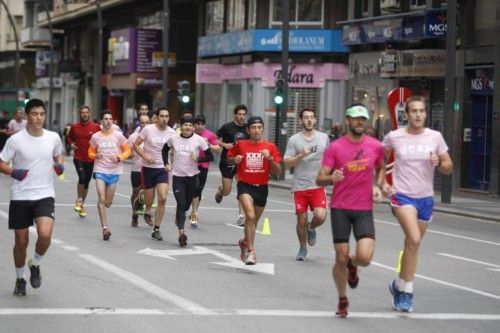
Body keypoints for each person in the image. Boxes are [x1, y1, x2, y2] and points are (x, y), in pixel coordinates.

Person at [382, 95, 453, 312]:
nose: (419, 115)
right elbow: (378, 157)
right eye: (414, 111)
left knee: (412, 245)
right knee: (413, 238)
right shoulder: (395, 137)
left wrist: (439, 162)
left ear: (426, 113)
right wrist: (383, 181)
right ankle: (407, 293)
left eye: (422, 111)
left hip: (425, 199)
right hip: (402, 196)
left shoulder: (435, 137)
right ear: (407, 114)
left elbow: (449, 166)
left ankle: (399, 285)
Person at [316, 104, 385, 318]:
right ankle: (342, 298)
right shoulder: (336, 148)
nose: (360, 122)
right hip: (340, 208)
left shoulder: (376, 146)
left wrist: (378, 185)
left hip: (364, 208)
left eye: (363, 119)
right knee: (340, 255)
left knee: (364, 257)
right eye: (356, 118)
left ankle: (353, 266)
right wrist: (331, 178)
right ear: (348, 120)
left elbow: (381, 169)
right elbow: (320, 178)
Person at [0, 98, 64, 296]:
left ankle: (34, 263)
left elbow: (58, 155)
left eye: (42, 114)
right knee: (21, 241)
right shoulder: (15, 140)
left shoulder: (53, 137)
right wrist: (12, 172)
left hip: (44, 194)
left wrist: (60, 165)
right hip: (20, 195)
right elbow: (1, 162)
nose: (39, 117)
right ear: (27, 116)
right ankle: (20, 278)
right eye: (35, 114)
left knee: (45, 236)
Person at [227, 116, 282, 265]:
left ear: (263, 129)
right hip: (245, 185)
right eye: (253, 128)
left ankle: (245, 242)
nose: (256, 130)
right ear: (248, 130)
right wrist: (235, 160)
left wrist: (269, 159)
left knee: (254, 222)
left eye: (259, 127)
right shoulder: (241, 145)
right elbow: (229, 159)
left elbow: (278, 172)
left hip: (262, 188)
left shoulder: (270, 147)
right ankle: (251, 252)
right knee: (249, 217)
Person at [284, 108, 329, 261]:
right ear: (300, 121)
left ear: (315, 120)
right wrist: (301, 155)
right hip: (300, 187)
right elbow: (287, 163)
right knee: (301, 220)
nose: (309, 120)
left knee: (321, 216)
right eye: (306, 117)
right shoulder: (294, 140)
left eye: (311, 117)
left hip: (317, 185)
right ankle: (303, 248)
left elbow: (330, 157)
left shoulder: (323, 138)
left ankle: (312, 228)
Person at [162, 116, 214, 246]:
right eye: (185, 125)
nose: (188, 128)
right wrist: (166, 163)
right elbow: (164, 149)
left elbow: (210, 156)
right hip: (178, 177)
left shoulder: (199, 140)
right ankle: (181, 232)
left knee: (186, 206)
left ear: (193, 127)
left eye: (190, 126)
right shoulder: (174, 139)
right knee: (181, 203)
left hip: (192, 177)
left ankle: (180, 217)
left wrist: (198, 159)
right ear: (181, 126)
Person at [134, 107, 176, 241]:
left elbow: (176, 150)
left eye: (166, 116)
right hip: (148, 168)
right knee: (149, 201)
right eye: (162, 116)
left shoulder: (172, 132)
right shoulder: (148, 129)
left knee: (163, 198)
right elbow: (136, 145)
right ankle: (144, 205)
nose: (164, 118)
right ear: (157, 117)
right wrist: (145, 156)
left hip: (162, 169)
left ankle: (156, 229)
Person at [88, 111, 131, 240]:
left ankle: (102, 204)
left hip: (114, 171)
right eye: (105, 119)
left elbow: (127, 150)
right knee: (101, 199)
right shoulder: (96, 137)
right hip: (100, 169)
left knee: (108, 203)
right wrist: (96, 155)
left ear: (112, 121)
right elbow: (90, 152)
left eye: (110, 119)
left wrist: (119, 157)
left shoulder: (119, 136)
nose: (108, 121)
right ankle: (105, 228)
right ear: (101, 121)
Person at [215, 104, 248, 226]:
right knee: (227, 191)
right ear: (235, 114)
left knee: (243, 188)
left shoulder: (248, 128)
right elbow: (215, 139)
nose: (242, 117)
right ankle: (220, 191)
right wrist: (224, 145)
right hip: (227, 161)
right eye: (239, 114)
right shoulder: (227, 127)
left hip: (242, 163)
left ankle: (241, 216)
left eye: (244, 115)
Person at [67, 106, 101, 218]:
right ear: (79, 114)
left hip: (90, 158)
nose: (85, 114)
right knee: (82, 177)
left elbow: (101, 139)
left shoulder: (96, 127)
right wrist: (71, 144)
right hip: (78, 157)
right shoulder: (75, 126)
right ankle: (79, 199)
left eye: (87, 112)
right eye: (83, 112)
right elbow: (69, 137)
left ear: (89, 114)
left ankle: (82, 205)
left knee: (86, 182)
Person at [189, 115, 221, 227]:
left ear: (204, 125)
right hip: (190, 164)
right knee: (191, 189)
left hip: (203, 165)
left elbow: (218, 148)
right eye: (197, 124)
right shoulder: (189, 133)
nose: (199, 126)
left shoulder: (209, 135)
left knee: (198, 189)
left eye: (202, 124)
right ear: (194, 125)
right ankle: (193, 210)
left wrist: (209, 145)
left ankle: (194, 212)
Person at [127, 113, 150, 227]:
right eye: (142, 122)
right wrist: (129, 154)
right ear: (139, 123)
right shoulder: (133, 137)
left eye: (147, 122)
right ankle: (135, 214)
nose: (145, 125)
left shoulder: (152, 135)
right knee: (135, 193)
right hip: (136, 168)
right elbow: (128, 151)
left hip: (149, 169)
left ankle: (145, 212)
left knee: (146, 193)